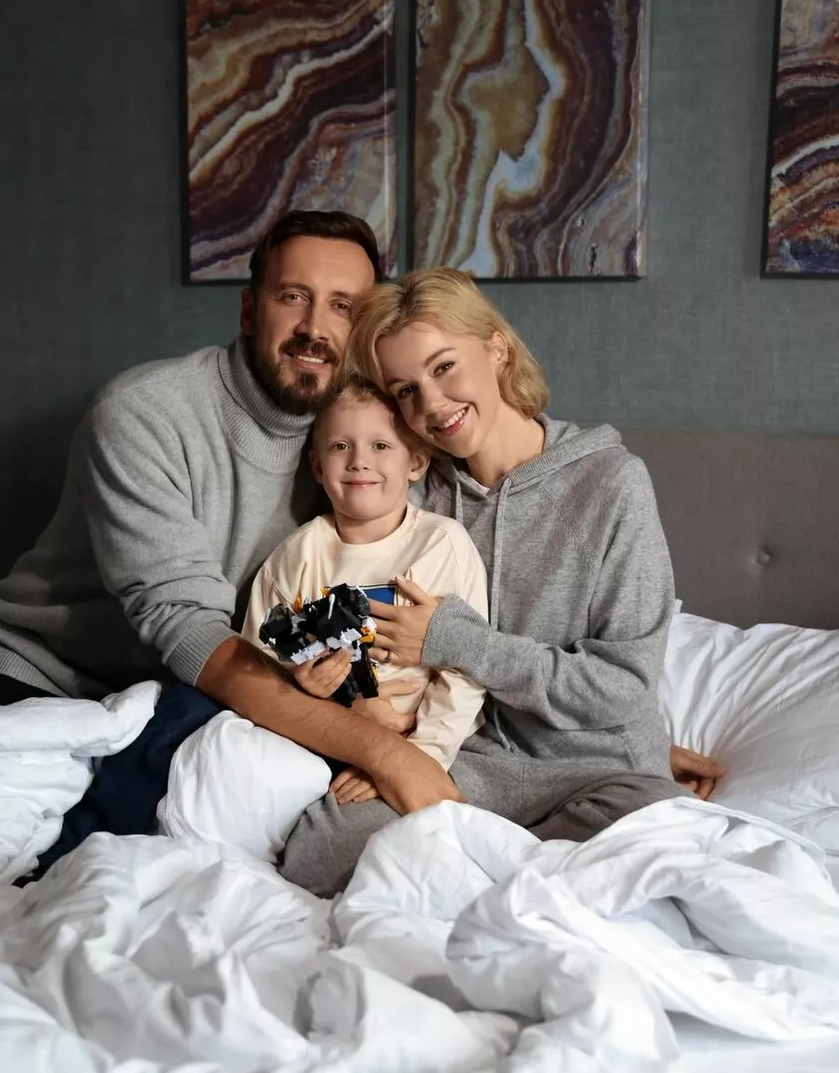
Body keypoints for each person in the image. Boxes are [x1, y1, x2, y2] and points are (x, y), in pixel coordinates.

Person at [0, 212, 462, 821]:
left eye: (342, 307)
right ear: (248, 310)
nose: (314, 328)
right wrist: (384, 751)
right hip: (45, 679)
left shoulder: (366, 446)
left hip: (188, 699)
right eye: (292, 297)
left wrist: (374, 706)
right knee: (14, 847)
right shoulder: (144, 415)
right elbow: (186, 627)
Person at [278, 268, 725, 896]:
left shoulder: (611, 484)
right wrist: (356, 708)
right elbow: (340, 616)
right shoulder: (412, 488)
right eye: (405, 390)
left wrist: (458, 640)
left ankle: (493, 881)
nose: (431, 404)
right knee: (316, 854)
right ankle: (500, 877)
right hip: (469, 758)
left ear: (497, 348)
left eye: (443, 367)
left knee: (654, 854)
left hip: (599, 771)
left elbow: (623, 686)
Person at [241, 378, 488, 804]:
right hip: (320, 738)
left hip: (432, 745)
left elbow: (465, 670)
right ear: (318, 467)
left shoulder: (441, 544)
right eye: (341, 446)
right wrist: (303, 685)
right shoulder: (296, 556)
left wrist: (418, 758)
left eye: (381, 446)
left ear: (416, 461)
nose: (359, 462)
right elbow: (255, 665)